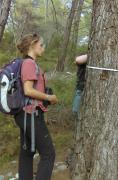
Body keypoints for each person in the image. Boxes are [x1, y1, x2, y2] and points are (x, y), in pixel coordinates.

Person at [15, 33, 58, 180]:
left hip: (25, 114)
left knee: (27, 153)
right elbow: (28, 90)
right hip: (31, 115)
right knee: (48, 154)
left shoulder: (27, 63)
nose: (43, 48)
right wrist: (49, 97)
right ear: (32, 45)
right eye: (41, 45)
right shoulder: (29, 63)